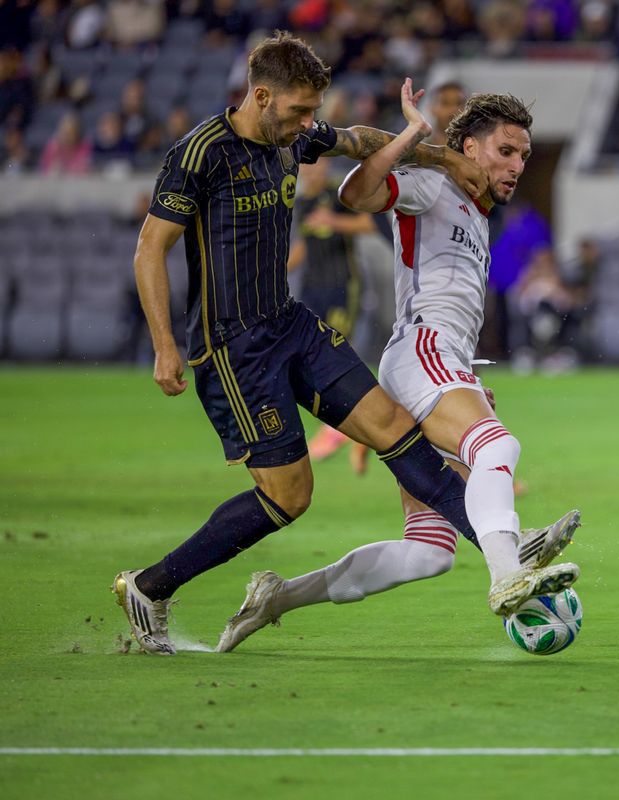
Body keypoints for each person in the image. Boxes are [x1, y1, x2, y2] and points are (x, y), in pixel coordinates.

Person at [112, 32, 567, 656]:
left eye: (312, 112)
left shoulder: (292, 133)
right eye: (299, 111)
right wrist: (164, 344)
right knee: (290, 496)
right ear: (261, 95)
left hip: (291, 323)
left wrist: (436, 152)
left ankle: (504, 553)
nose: (308, 125)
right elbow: (150, 248)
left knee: (392, 428)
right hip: (233, 346)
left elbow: (360, 140)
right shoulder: (201, 154)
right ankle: (150, 585)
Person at [214, 88, 580, 652]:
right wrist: (414, 141)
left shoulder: (479, 215)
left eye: (524, 157)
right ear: (468, 147)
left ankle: (277, 597)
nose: (516, 165)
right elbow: (355, 191)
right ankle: (508, 570)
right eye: (506, 151)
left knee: (428, 552)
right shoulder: (435, 184)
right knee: (497, 448)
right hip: (421, 352)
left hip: (441, 363)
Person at [286, 157, 377, 466]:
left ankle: (340, 428)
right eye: (307, 165)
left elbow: (369, 224)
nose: (313, 170)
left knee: (339, 353)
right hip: (312, 287)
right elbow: (305, 245)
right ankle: (349, 427)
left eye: (318, 164)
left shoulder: (338, 195)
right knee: (310, 357)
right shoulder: (302, 202)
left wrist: (334, 221)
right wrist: (274, 274)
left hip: (343, 285)